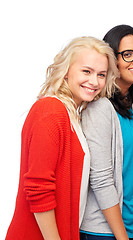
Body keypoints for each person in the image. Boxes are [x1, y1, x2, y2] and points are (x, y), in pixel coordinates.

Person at [5, 36, 118, 240]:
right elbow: (39, 188)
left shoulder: (71, 113)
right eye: (86, 71)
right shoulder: (50, 110)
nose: (94, 81)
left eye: (101, 74)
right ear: (66, 70)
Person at [79, 25, 133, 240]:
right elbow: (101, 180)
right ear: (112, 60)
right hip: (105, 231)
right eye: (128, 55)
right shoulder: (101, 107)